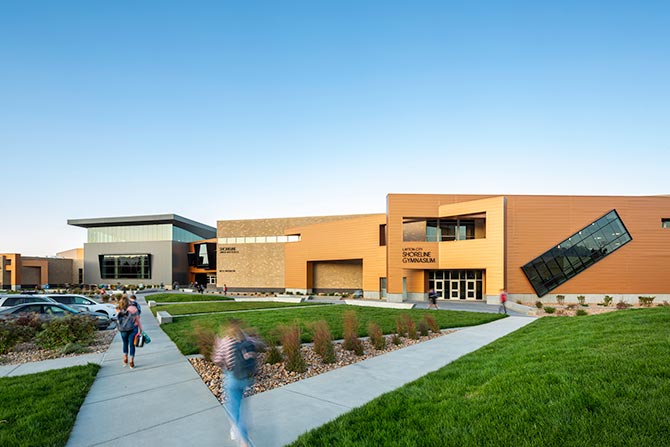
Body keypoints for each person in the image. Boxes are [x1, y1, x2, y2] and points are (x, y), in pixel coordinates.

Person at [212, 320, 260, 447]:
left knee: (234, 411)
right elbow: (258, 346)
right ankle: (243, 428)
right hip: (247, 379)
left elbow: (216, 360)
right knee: (242, 405)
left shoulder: (225, 341)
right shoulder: (246, 339)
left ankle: (244, 442)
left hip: (233, 378)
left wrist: (218, 345)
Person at [116, 295, 142, 369]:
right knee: (132, 345)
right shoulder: (133, 308)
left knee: (125, 343)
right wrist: (141, 329)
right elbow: (138, 319)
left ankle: (125, 358)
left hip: (123, 329)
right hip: (133, 328)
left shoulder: (118, 309)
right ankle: (131, 361)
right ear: (129, 301)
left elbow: (118, 320)